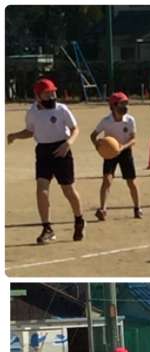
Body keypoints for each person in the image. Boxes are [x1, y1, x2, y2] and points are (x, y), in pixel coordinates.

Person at [7, 78, 85, 244]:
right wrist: (15, 135)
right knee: (41, 189)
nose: (52, 96)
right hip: (43, 151)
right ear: (38, 96)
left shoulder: (62, 109)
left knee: (68, 190)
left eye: (53, 93)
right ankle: (47, 228)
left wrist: (68, 143)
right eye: (47, 94)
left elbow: (75, 129)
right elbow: (30, 131)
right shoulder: (32, 112)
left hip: (62, 150)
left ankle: (79, 220)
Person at [90, 91, 142, 221]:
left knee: (131, 181)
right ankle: (103, 209)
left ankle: (137, 208)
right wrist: (97, 145)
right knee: (107, 181)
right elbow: (93, 135)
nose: (125, 106)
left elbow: (133, 139)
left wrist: (122, 147)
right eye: (122, 104)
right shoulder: (106, 121)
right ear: (113, 106)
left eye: (126, 103)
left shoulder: (130, 120)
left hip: (125, 152)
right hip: (110, 153)